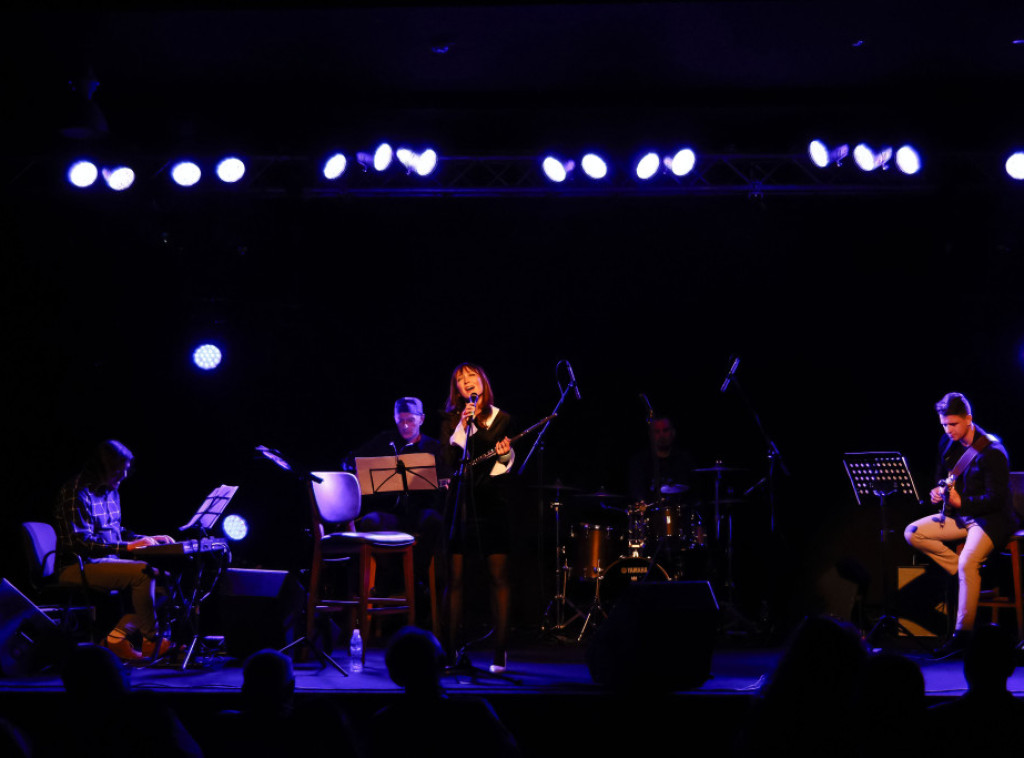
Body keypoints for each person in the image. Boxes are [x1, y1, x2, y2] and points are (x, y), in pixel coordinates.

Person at [904, 392, 1017, 658]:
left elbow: (996, 499)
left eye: (953, 424)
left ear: (968, 419)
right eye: (944, 424)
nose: (948, 430)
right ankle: (964, 573)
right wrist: (937, 491)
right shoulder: (947, 442)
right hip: (961, 515)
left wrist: (961, 502)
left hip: (990, 519)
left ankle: (962, 635)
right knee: (913, 533)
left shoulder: (993, 451)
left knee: (969, 561)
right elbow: (941, 477)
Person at [54, 439, 175, 661]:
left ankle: (115, 639)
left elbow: (117, 532)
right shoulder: (77, 491)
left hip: (106, 560)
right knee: (143, 574)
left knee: (166, 582)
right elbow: (80, 543)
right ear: (102, 468)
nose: (124, 475)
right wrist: (127, 547)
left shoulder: (111, 492)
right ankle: (152, 641)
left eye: (126, 470)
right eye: (119, 470)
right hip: (77, 564)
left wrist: (146, 538)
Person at [439, 363, 514, 673]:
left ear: (483, 381)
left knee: (498, 577)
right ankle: (450, 650)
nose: (467, 382)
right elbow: (447, 460)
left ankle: (500, 650)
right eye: (460, 379)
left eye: (472, 376)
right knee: (454, 580)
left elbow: (503, 464)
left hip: (491, 503)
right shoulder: (450, 420)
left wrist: (505, 454)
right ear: (457, 390)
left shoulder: (501, 418)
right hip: (459, 504)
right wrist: (462, 425)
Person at [342, 396, 444, 602]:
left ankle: (415, 577)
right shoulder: (385, 440)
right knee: (370, 521)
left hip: (420, 512)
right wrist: (356, 470)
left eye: (410, 420)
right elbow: (349, 460)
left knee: (434, 520)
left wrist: (442, 483)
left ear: (422, 419)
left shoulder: (433, 447)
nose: (405, 426)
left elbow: (445, 477)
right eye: (400, 420)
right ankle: (388, 576)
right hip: (391, 514)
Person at [368, 625, 520, 758]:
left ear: (394, 675)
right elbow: (511, 752)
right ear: (442, 664)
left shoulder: (382, 725)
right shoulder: (477, 712)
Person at [627, 416, 695, 504]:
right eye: (657, 432)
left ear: (673, 433)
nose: (661, 435)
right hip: (651, 510)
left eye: (665, 430)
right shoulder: (639, 462)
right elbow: (637, 492)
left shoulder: (684, 460)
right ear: (650, 435)